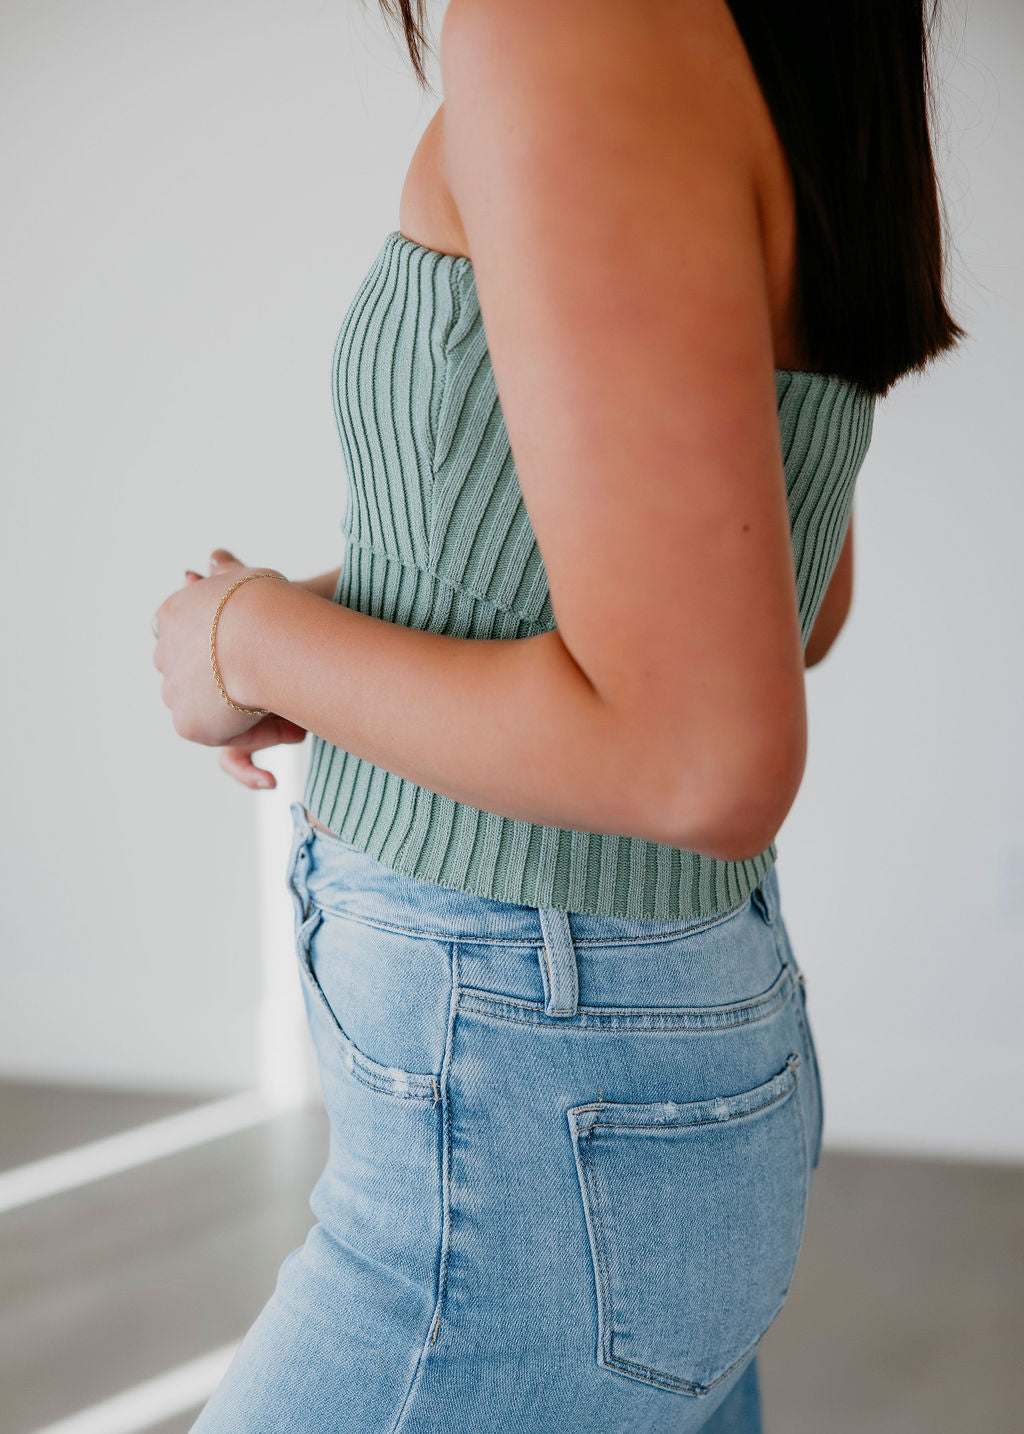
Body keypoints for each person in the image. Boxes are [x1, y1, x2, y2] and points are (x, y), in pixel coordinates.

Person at [152, 2, 965, 1429]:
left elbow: (701, 751)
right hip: (613, 1068)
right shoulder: (785, 47)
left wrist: (246, 630)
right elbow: (777, 610)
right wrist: (308, 645)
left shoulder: (575, 25)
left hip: (536, 1098)